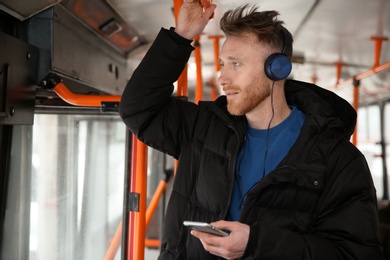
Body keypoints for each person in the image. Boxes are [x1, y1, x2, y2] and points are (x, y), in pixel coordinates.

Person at [119, 1, 382, 259]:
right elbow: (138, 109)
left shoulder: (337, 160)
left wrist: (257, 245)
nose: (222, 78)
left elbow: (355, 253)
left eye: (236, 64)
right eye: (223, 64)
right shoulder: (204, 126)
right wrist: (181, 37)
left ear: (277, 69)